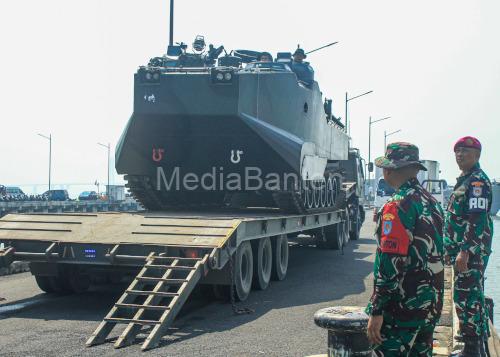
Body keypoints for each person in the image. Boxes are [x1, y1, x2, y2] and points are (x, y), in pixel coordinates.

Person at [366, 142, 445, 356]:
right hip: (431, 302)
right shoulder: (432, 202)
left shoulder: (397, 205)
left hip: (402, 307)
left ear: (389, 169)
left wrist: (377, 309)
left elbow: (391, 263)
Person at [444, 136, 493, 356]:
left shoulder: (477, 182)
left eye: (464, 151)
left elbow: (477, 219)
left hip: (471, 252)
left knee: (466, 297)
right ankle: (475, 345)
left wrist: (465, 251)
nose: (460, 155)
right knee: (471, 295)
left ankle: (472, 349)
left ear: (477, 155)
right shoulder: (465, 179)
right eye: (457, 151)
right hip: (464, 251)